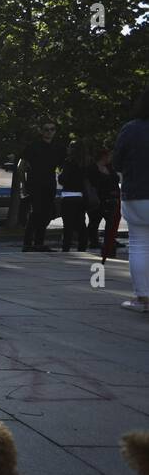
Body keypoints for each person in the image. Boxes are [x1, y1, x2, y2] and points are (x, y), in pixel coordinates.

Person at [111, 85, 149, 312]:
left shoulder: (131, 129)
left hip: (137, 195)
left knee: (139, 246)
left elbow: (117, 163)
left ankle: (142, 298)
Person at [20, 120, 66, 252]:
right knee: (36, 213)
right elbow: (21, 166)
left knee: (47, 213)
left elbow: (63, 165)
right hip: (34, 184)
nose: (49, 132)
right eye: (46, 129)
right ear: (41, 131)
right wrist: (23, 185)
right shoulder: (33, 146)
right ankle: (28, 243)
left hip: (49, 183)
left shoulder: (58, 148)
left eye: (52, 129)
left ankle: (38, 242)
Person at [86, 145, 121, 258]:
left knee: (111, 222)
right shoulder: (92, 168)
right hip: (98, 198)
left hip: (111, 198)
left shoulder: (110, 167)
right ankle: (93, 240)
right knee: (94, 220)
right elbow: (92, 183)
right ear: (103, 156)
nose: (110, 158)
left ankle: (110, 241)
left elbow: (115, 180)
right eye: (108, 156)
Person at [58, 140, 90, 252]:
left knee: (68, 226)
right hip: (80, 197)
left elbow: (62, 179)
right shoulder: (86, 164)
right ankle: (82, 248)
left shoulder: (69, 162)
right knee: (81, 224)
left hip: (68, 196)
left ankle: (66, 248)